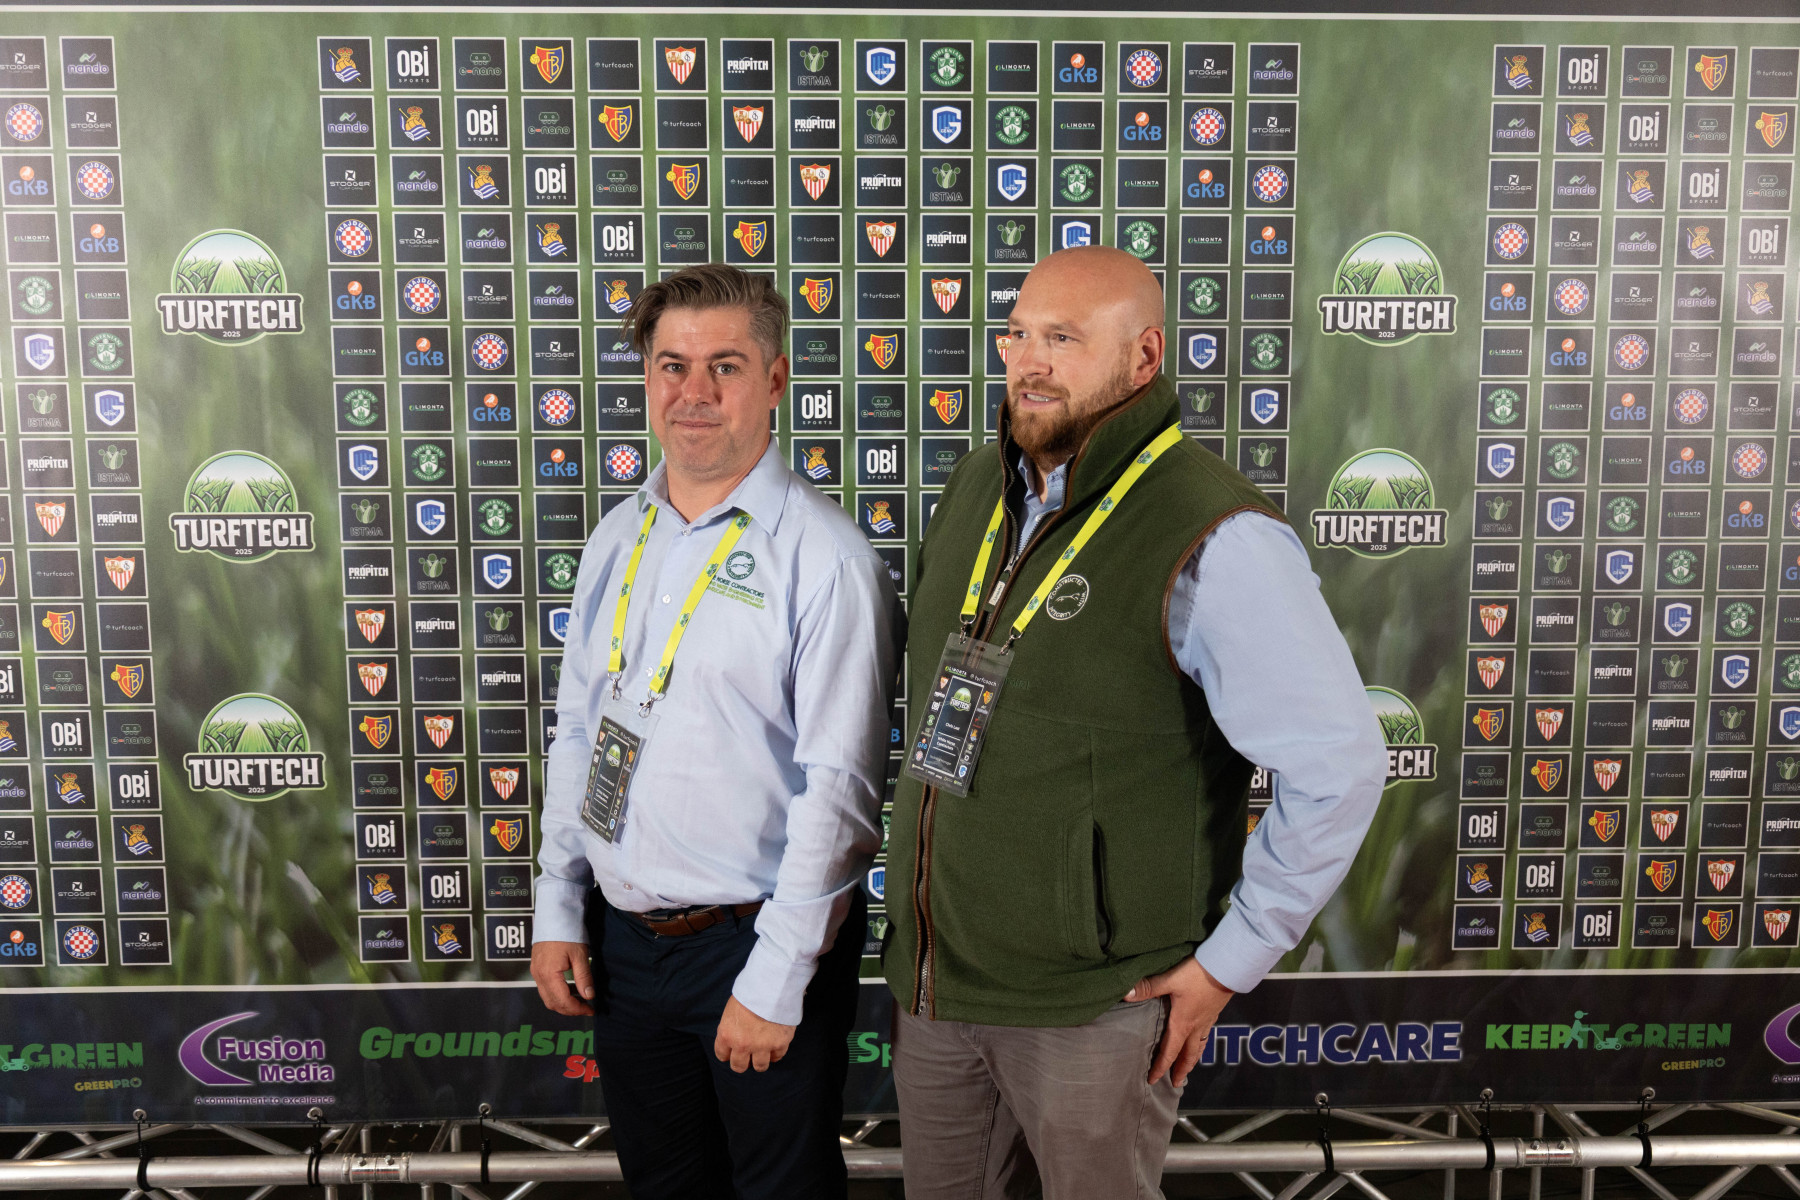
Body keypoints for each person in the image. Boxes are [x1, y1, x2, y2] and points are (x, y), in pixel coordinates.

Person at [884, 245, 1386, 1198]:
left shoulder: (1217, 534)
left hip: (1097, 1007)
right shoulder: (978, 488)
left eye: (1064, 339)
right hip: (939, 989)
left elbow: (1341, 765)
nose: (1029, 362)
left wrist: (1230, 962)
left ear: (1144, 356)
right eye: (1018, 335)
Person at [531, 263, 901, 1200]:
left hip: (756, 942)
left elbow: (841, 794)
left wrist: (775, 979)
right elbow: (578, 733)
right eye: (672, 366)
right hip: (623, 947)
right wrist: (559, 905)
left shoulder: (826, 558)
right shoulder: (618, 536)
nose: (693, 392)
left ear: (774, 380)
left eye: (724, 367)